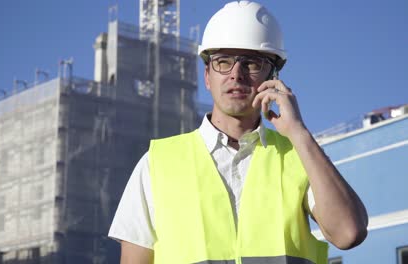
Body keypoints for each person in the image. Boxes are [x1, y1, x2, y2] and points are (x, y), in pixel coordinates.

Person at [108, 1, 368, 263]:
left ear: (273, 77)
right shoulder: (157, 164)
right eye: (223, 62)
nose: (236, 74)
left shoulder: (299, 156)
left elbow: (348, 233)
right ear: (207, 76)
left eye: (252, 64)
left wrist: (298, 132)